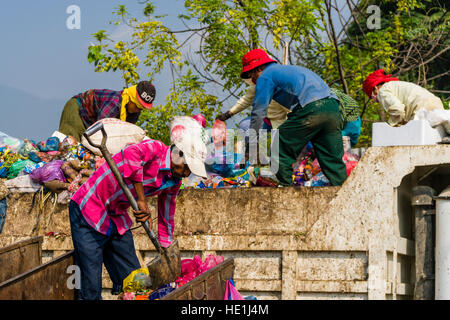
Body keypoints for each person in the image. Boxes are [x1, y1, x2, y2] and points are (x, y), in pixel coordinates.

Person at [68, 116, 207, 300]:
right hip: (89, 209)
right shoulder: (155, 149)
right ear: (177, 154)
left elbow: (166, 215)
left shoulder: (174, 181)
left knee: (135, 283)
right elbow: (131, 154)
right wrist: (142, 200)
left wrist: (166, 251)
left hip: (115, 216)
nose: (187, 173)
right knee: (90, 287)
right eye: (187, 167)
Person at [241, 48, 347, 186]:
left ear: (259, 68)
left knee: (279, 144)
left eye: (251, 75)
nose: (252, 81)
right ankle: (343, 190)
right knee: (332, 158)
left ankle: (286, 189)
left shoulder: (266, 76)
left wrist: (251, 143)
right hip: (332, 108)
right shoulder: (287, 70)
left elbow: (258, 112)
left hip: (311, 108)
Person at [59, 81, 156, 141]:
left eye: (141, 108)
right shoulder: (114, 103)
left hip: (91, 120)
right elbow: (98, 131)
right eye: (137, 106)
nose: (138, 110)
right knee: (70, 143)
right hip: (78, 109)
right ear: (131, 98)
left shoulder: (134, 113)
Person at [363, 69, 444, 127]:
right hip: (436, 104)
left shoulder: (382, 91)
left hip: (421, 109)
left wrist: (391, 125)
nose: (374, 99)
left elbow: (397, 110)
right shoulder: (395, 85)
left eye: (371, 96)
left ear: (375, 88)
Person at [216, 78, 290, 130]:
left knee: (277, 149)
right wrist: (228, 114)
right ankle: (252, 149)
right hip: (264, 119)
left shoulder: (281, 86)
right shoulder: (256, 85)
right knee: (245, 126)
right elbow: (246, 100)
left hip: (282, 123)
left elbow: (291, 109)